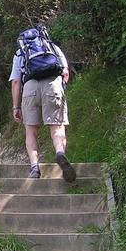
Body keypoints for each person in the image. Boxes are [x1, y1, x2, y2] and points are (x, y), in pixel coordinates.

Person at [9, 25, 76, 181]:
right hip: (52, 85)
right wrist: (61, 88)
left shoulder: (20, 52)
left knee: (31, 132)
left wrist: (16, 107)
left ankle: (34, 168)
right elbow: (65, 72)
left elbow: (16, 82)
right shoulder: (51, 47)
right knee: (57, 128)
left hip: (30, 88)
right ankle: (60, 153)